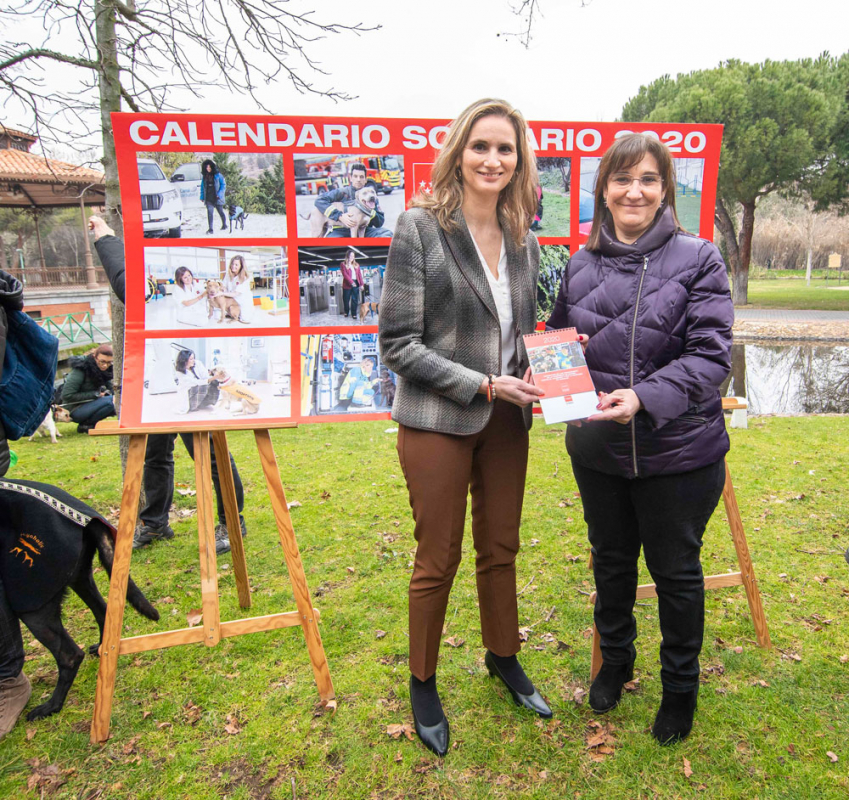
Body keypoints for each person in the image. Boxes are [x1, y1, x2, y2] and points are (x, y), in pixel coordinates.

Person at [546, 133, 733, 745]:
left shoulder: (699, 258)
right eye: (623, 179)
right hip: (598, 453)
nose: (634, 190)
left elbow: (710, 357)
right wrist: (543, 370)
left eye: (649, 179)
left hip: (677, 453)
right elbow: (557, 342)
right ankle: (617, 662)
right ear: (603, 188)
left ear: (664, 190)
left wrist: (645, 398)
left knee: (676, 574)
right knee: (612, 561)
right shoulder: (579, 264)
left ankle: (680, 688)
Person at [379, 98, 546, 757]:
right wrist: (480, 382)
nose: (492, 159)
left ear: (518, 160)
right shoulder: (420, 228)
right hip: (437, 420)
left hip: (508, 419)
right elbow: (397, 343)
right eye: (481, 146)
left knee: (500, 547)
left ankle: (502, 656)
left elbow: (521, 332)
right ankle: (422, 679)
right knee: (436, 557)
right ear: (458, 150)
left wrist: (555, 362)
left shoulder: (523, 238)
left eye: (504, 149)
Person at [89, 215, 247, 555]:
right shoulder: (156, 296)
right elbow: (125, 281)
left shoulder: (196, 347)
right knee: (156, 456)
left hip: (192, 402)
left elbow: (123, 279)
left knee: (212, 456)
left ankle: (232, 520)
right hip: (158, 393)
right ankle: (155, 523)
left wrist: (105, 238)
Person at [314, 162, 393, 237]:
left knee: (387, 234)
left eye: (361, 177)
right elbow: (319, 200)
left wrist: (369, 212)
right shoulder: (341, 192)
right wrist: (339, 216)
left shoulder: (371, 196)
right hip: (340, 230)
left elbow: (379, 223)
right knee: (332, 242)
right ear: (351, 178)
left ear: (366, 179)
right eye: (355, 176)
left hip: (364, 231)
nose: (358, 179)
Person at [62, 345, 116, 433]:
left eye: (109, 362)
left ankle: (90, 424)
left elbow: (111, 388)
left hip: (90, 404)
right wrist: (95, 394)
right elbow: (67, 395)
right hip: (74, 409)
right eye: (102, 361)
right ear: (94, 357)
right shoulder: (81, 369)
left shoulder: (104, 370)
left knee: (119, 400)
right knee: (111, 401)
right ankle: (86, 425)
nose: (105, 365)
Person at [221, 255, 254, 323]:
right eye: (232, 264)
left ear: (241, 266)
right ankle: (232, 313)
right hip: (231, 299)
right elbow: (223, 285)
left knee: (245, 319)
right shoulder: (228, 274)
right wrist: (223, 289)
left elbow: (235, 294)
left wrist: (222, 293)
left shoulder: (244, 278)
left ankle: (238, 314)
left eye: (236, 264)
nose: (233, 266)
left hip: (242, 300)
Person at [200, 159, 227, 234]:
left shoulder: (218, 175)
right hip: (209, 197)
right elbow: (203, 187)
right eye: (207, 167)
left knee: (221, 212)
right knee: (210, 212)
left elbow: (223, 186)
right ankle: (210, 229)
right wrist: (202, 197)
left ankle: (224, 224)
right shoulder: (205, 176)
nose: (208, 169)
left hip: (217, 197)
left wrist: (220, 194)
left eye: (209, 167)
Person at [339, 250, 363, 318]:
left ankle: (354, 313)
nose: (352, 257)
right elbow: (345, 275)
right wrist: (351, 282)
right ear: (347, 256)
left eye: (353, 256)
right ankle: (346, 312)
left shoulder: (356, 264)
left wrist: (361, 284)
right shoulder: (343, 264)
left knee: (354, 299)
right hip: (347, 283)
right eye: (351, 256)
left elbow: (359, 275)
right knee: (346, 299)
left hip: (356, 282)